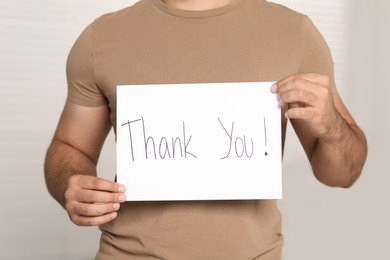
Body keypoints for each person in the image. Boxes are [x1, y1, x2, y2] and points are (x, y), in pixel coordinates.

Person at [44, 0, 367, 259]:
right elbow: (70, 146)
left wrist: (332, 127)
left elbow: (341, 174)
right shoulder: (101, 39)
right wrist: (71, 185)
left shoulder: (294, 34)